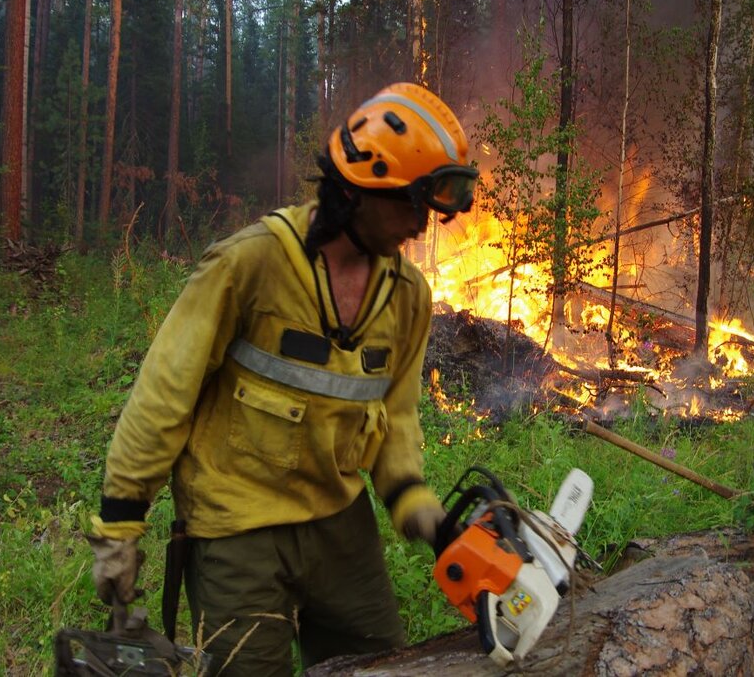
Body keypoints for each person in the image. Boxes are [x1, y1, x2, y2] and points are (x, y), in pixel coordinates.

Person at [86, 83, 479, 675]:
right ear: (361, 190)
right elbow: (164, 396)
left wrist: (418, 504)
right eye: (411, 206)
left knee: (379, 666)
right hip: (236, 523)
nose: (421, 228)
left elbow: (396, 415)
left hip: (338, 522)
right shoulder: (249, 265)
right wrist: (120, 523)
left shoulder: (407, 296)